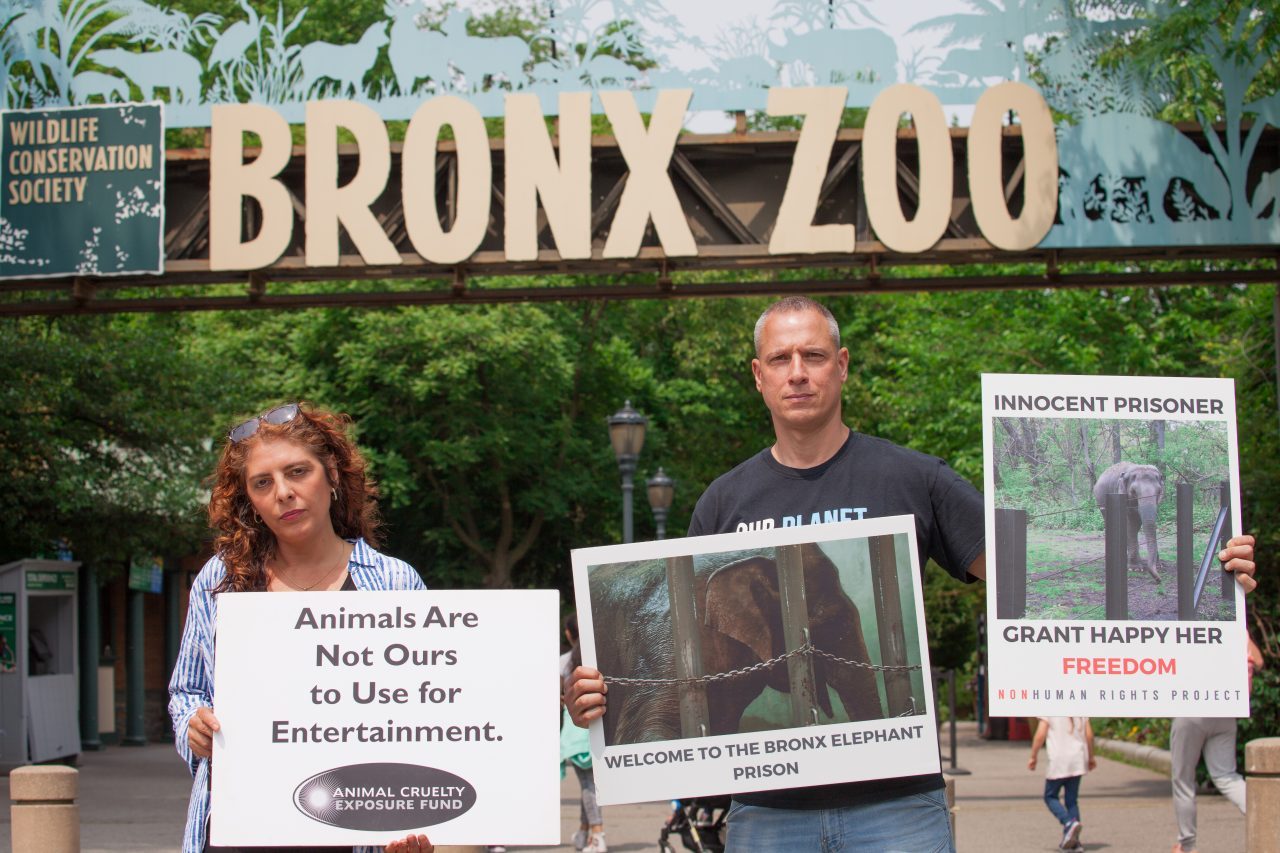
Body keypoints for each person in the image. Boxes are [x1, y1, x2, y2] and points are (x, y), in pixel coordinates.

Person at [564, 296, 1260, 852]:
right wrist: (595, 701)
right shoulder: (723, 500)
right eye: (781, 358)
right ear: (758, 374)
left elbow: (1031, 586)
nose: (797, 371)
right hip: (767, 814)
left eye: (813, 355)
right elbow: (682, 660)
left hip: (898, 805)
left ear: (842, 365)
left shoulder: (913, 476)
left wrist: (1207, 606)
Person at [167, 402, 433, 853]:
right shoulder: (220, 581)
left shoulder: (394, 582)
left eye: (297, 472)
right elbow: (186, 692)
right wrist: (192, 725)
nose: (284, 493)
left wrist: (413, 823)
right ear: (249, 499)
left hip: (351, 833)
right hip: (236, 831)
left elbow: (433, 710)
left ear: (330, 473)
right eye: (263, 483)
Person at [1169, 635, 1265, 853]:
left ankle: (1187, 844)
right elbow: (1258, 661)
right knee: (1227, 776)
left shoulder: (1189, 623)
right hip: (1225, 710)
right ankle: (1269, 815)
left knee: (1183, 779)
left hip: (1191, 707)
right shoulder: (1235, 629)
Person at [560, 614, 606, 852]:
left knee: (589, 786)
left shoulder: (564, 662)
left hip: (575, 736)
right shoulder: (598, 659)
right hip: (597, 731)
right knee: (589, 785)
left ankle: (598, 834)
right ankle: (583, 833)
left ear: (569, 634)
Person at [1029, 717, 1095, 850]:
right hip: (1077, 759)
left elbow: (1040, 734)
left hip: (1059, 761)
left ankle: (1068, 823)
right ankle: (1074, 842)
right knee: (1071, 801)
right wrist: (1091, 756)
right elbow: (1089, 735)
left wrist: (1033, 756)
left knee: (1050, 796)